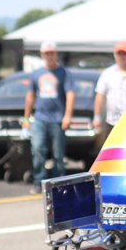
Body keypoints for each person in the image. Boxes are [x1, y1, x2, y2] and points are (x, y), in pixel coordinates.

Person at [23, 41, 75, 193]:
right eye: (46, 53)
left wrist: (68, 116)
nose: (49, 56)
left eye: (52, 53)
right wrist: (26, 119)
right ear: (42, 55)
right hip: (40, 117)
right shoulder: (36, 74)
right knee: (37, 148)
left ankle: (58, 184)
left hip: (58, 118)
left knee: (58, 154)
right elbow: (30, 95)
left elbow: (70, 95)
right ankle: (39, 181)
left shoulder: (64, 73)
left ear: (56, 54)